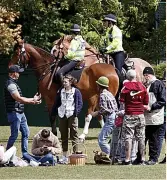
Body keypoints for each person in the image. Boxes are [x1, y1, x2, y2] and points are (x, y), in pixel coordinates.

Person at [4, 65, 41, 154]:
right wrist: (32, 101)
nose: (19, 74)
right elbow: (19, 99)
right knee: (14, 135)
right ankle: (6, 155)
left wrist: (34, 98)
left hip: (20, 113)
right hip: (14, 113)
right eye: (18, 72)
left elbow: (20, 98)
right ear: (14, 73)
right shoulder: (11, 85)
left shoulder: (13, 83)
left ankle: (25, 154)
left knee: (26, 133)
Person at [51, 74, 83, 164]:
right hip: (62, 114)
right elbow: (57, 102)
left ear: (70, 82)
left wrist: (76, 112)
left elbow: (80, 103)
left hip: (72, 114)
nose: (64, 83)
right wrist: (53, 112)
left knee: (74, 135)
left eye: (65, 82)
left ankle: (74, 154)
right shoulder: (60, 91)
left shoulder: (76, 91)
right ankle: (64, 156)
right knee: (64, 136)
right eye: (63, 82)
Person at [119, 69, 149, 165]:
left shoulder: (125, 88)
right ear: (136, 76)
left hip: (129, 115)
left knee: (128, 137)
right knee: (141, 137)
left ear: (127, 77)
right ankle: (142, 159)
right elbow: (146, 102)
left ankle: (127, 160)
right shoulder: (142, 87)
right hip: (140, 115)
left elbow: (121, 102)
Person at [143, 67, 166, 165]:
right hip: (147, 116)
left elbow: (163, 100)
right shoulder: (148, 85)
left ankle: (153, 158)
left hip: (156, 115)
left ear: (148, 75)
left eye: (145, 76)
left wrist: (151, 107)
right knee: (145, 137)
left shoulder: (158, 84)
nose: (144, 78)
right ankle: (143, 158)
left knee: (154, 138)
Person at [91, 76, 118, 159]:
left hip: (110, 118)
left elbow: (105, 109)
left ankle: (109, 156)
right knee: (113, 140)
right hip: (116, 117)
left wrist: (96, 113)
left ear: (99, 86)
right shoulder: (110, 94)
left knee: (102, 140)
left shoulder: (102, 95)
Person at [100, 14, 124, 82]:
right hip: (109, 53)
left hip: (117, 53)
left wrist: (106, 49)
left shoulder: (116, 30)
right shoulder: (108, 31)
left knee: (117, 70)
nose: (104, 23)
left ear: (110, 22)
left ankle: (121, 85)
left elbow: (115, 43)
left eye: (105, 21)